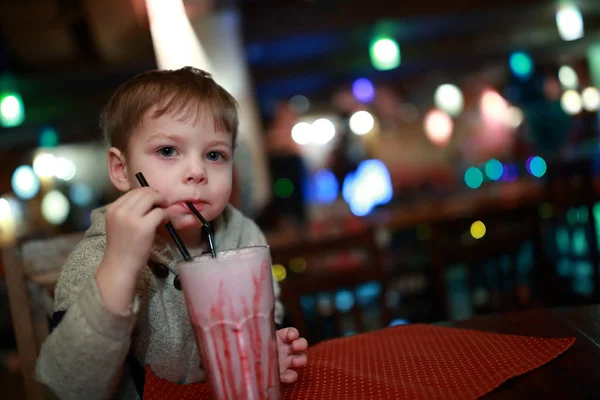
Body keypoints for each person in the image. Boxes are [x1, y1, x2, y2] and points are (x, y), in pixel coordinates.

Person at [35, 67, 308, 399]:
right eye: (167, 151)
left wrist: (271, 345)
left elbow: (266, 319)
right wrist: (120, 265)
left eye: (214, 155)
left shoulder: (242, 235)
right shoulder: (101, 252)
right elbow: (71, 385)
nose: (196, 171)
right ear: (121, 171)